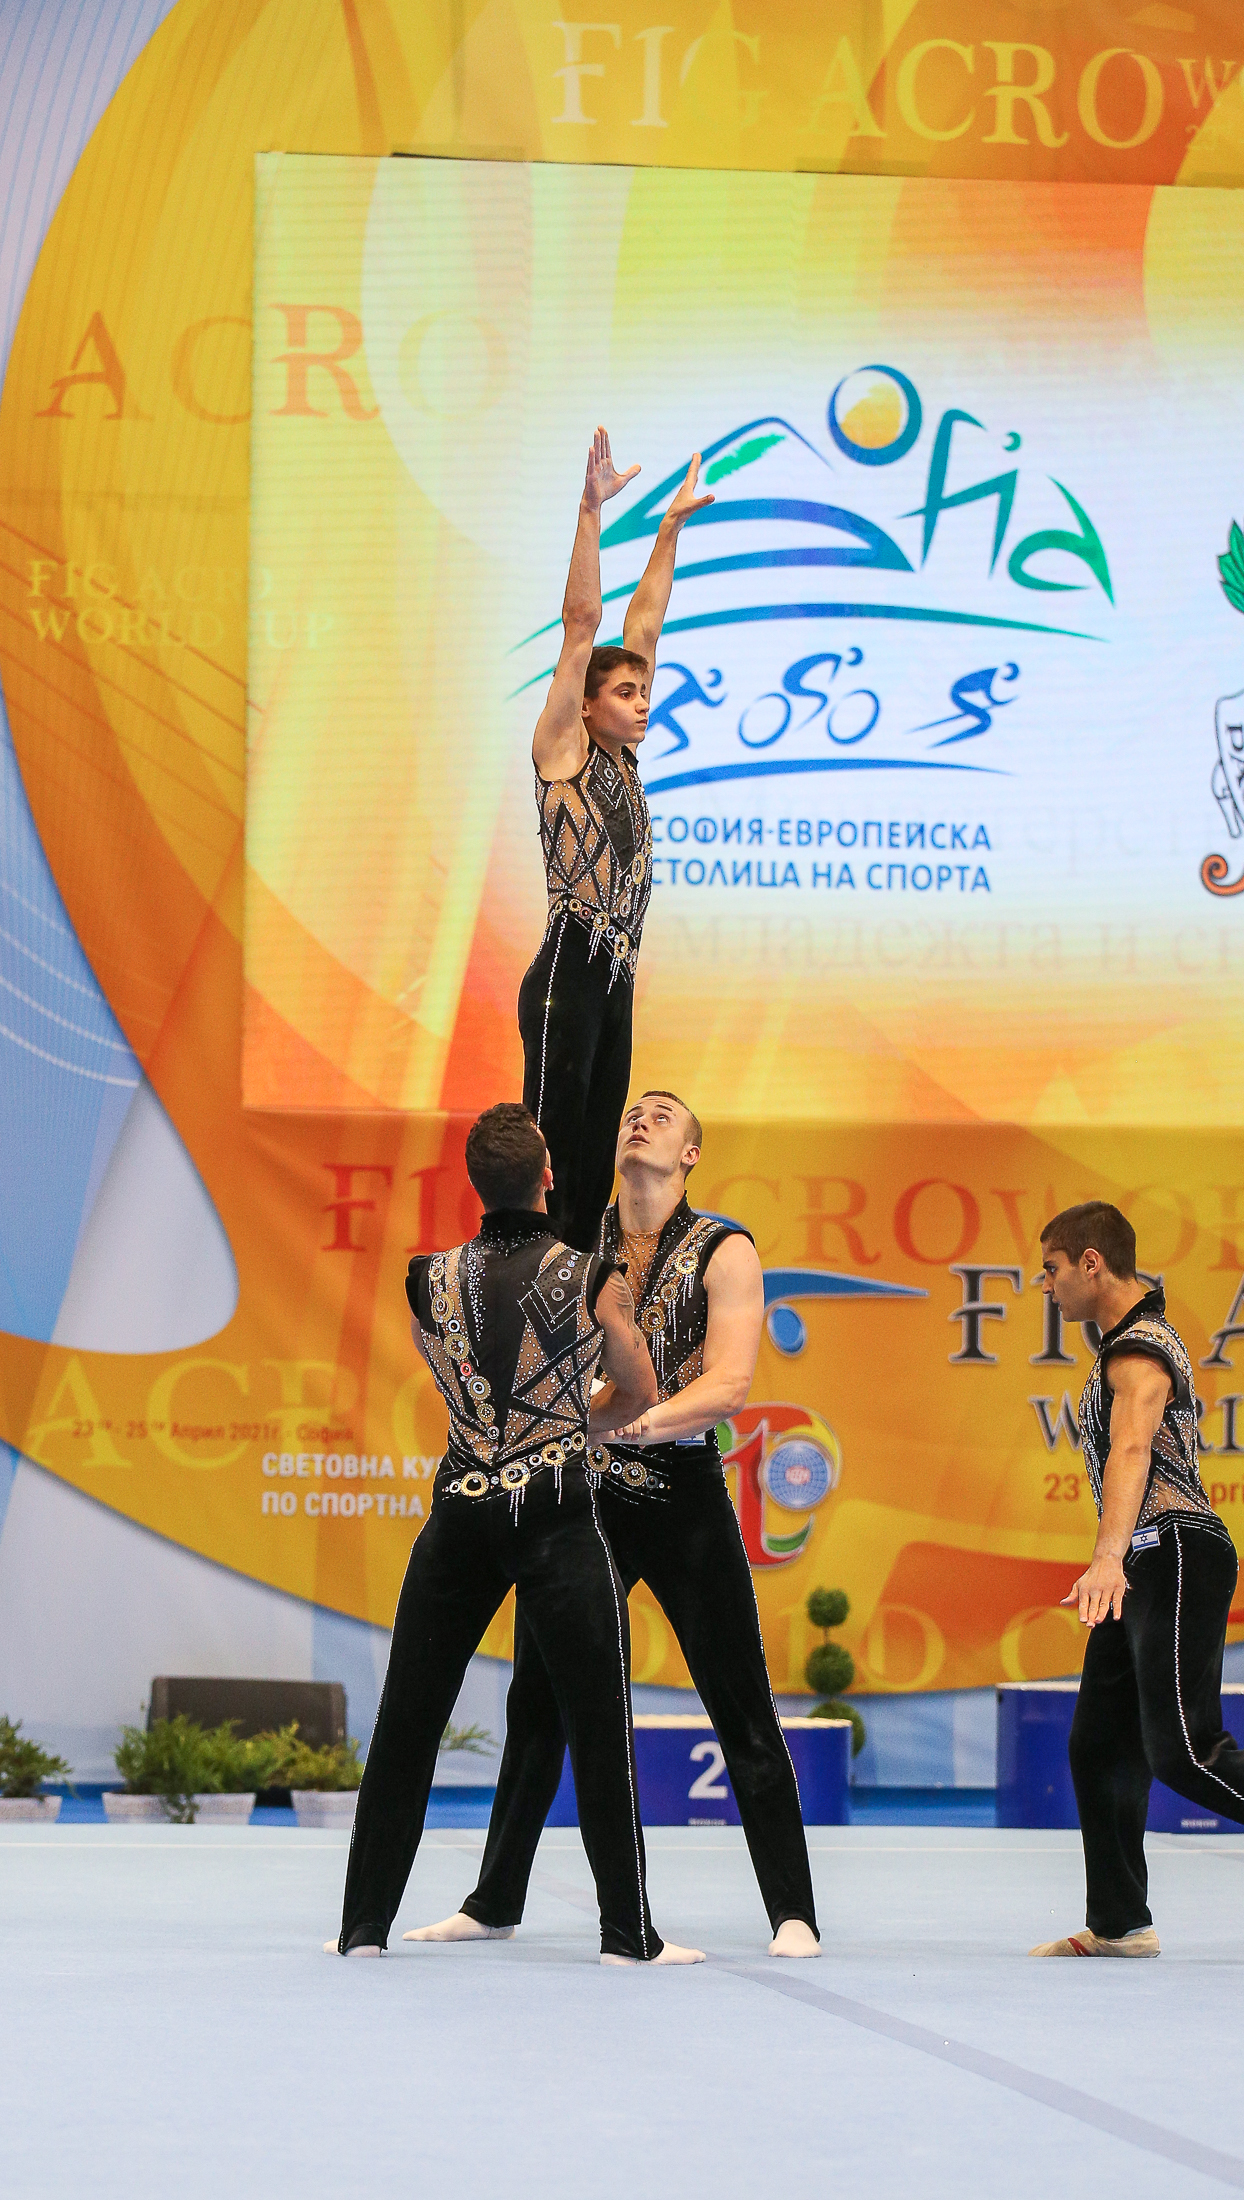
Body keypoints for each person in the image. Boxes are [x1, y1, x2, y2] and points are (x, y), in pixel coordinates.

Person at [406, 1090, 822, 1959]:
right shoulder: (572, 1244)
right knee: (537, 1703)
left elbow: (729, 1385)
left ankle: (793, 1910)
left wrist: (631, 1423)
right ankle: (494, 1899)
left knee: (738, 1697)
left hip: (680, 1494)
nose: (640, 1119)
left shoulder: (725, 1249)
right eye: (634, 1111)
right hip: (581, 1495)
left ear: (692, 1153)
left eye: (664, 1116)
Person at [332, 1101, 703, 1966]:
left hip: (460, 1515)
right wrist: (570, 1423)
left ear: (475, 1184)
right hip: (554, 1515)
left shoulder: (428, 1278)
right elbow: (640, 1391)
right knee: (598, 1723)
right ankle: (627, 1935)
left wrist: (500, 1433)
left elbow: (459, 1377)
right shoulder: (592, 1275)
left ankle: (362, 1929)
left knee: (407, 1722)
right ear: (548, 1177)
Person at [1029, 1200, 1244, 1959]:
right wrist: (1119, 1559)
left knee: (1185, 1749)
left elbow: (1132, 1451)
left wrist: (1106, 1558)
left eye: (1051, 1270)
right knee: (1099, 1745)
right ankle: (1120, 1923)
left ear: (1092, 1263)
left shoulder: (1138, 1350)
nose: (1045, 1286)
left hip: (1175, 1553)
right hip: (1146, 1558)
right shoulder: (1125, 1343)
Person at [520, 427, 712, 1252]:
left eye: (644, 691)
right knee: (552, 1165)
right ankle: (527, 1287)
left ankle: (574, 1302)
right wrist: (591, 511)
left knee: (594, 1174)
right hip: (570, 968)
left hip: (616, 979)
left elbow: (645, 622)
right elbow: (584, 624)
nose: (643, 703)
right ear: (588, 703)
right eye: (627, 692)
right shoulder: (564, 751)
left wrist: (669, 531)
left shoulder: (624, 759)